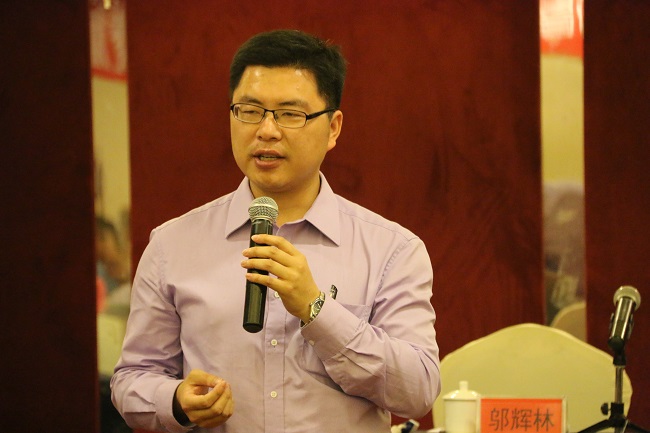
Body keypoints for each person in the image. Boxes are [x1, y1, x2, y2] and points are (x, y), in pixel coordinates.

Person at [111, 29, 440, 433]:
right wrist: (176, 401)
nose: (266, 130)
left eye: (290, 114)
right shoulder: (172, 245)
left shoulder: (392, 249)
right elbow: (132, 379)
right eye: (249, 111)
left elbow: (417, 391)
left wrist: (317, 309)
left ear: (333, 128)